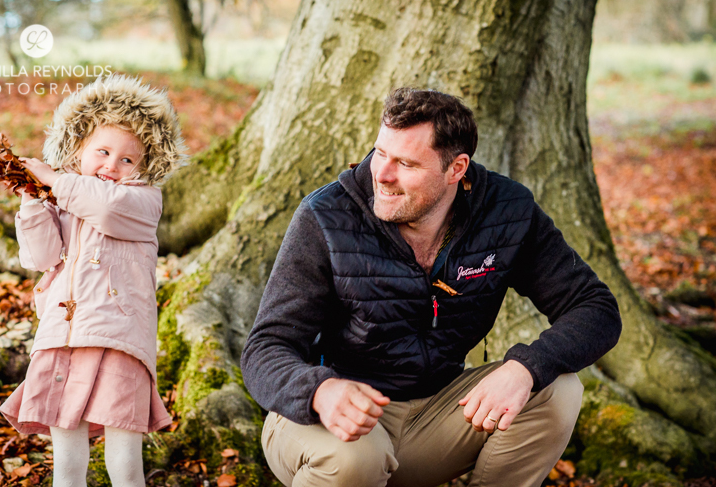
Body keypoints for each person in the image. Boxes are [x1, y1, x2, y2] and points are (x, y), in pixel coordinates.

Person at [241, 87, 621, 487]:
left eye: (405, 163)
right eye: (380, 153)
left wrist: (526, 367)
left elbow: (596, 307)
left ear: (456, 169)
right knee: (356, 459)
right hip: (328, 418)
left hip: (436, 416)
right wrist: (320, 391)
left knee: (557, 389)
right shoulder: (325, 216)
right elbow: (264, 348)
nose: (382, 175)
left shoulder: (505, 212)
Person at [0, 74, 187, 487]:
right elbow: (41, 257)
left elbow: (105, 209)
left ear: (144, 167)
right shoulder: (62, 200)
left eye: (127, 160)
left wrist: (54, 181)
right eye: (102, 151)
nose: (112, 166)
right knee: (67, 463)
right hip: (62, 338)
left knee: (124, 463)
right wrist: (33, 201)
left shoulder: (142, 201)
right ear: (78, 149)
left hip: (119, 340)